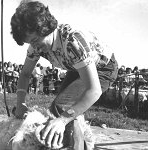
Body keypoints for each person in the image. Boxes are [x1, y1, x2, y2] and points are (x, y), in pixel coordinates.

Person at [10, 1, 118, 149]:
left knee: (60, 110)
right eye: (30, 42)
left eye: (35, 40)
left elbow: (94, 90)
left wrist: (63, 119)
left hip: (103, 69)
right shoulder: (36, 45)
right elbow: (25, 74)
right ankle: (78, 142)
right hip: (76, 68)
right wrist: (20, 103)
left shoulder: (72, 41)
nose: (34, 46)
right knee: (62, 110)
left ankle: (75, 144)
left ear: (45, 28)